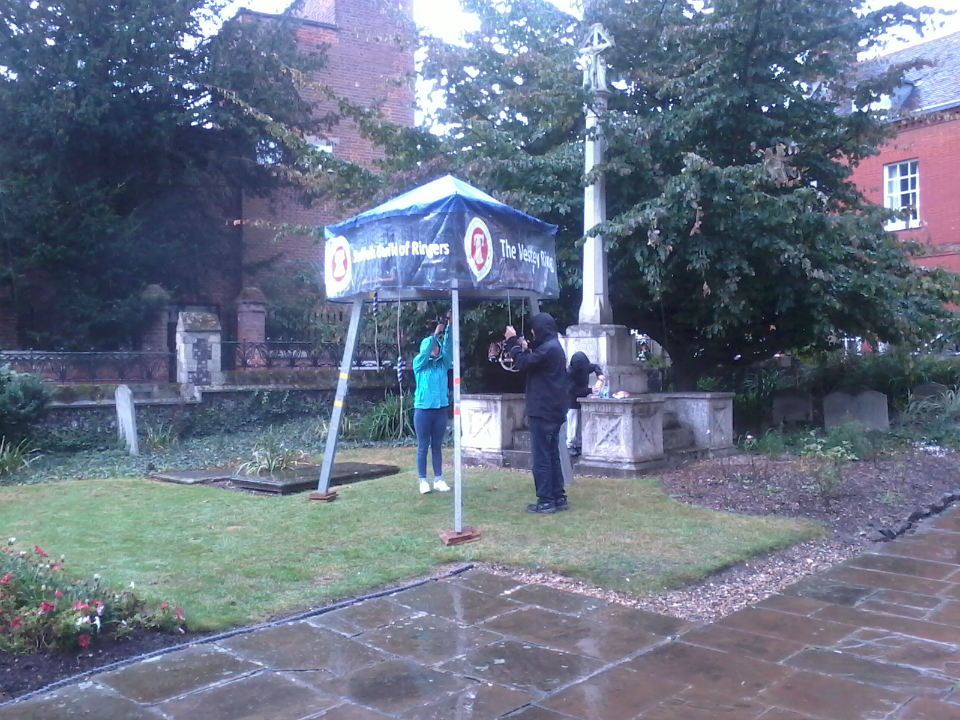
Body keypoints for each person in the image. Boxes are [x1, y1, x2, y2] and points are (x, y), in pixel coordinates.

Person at [504, 313, 568, 514]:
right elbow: (533, 358)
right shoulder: (553, 347)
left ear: (539, 329)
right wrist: (525, 348)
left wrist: (511, 341)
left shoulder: (549, 349)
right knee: (552, 455)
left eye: (534, 330)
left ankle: (546, 501)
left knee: (541, 457)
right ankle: (558, 497)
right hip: (554, 410)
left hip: (543, 411)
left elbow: (522, 363)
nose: (532, 333)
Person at [412, 315, 452, 495]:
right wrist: (435, 334)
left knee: (437, 446)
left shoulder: (442, 365)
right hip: (423, 410)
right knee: (422, 446)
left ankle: (438, 479)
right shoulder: (419, 364)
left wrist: (449, 327)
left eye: (437, 346)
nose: (435, 349)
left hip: (440, 410)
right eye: (433, 347)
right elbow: (426, 350)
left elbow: (449, 348)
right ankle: (423, 481)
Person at [566, 352, 605, 457]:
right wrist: (590, 390)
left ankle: (578, 444)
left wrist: (599, 374)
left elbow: (595, 367)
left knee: (580, 424)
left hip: (581, 400)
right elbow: (573, 390)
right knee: (573, 424)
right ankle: (570, 444)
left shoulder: (584, 368)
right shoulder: (570, 373)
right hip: (571, 401)